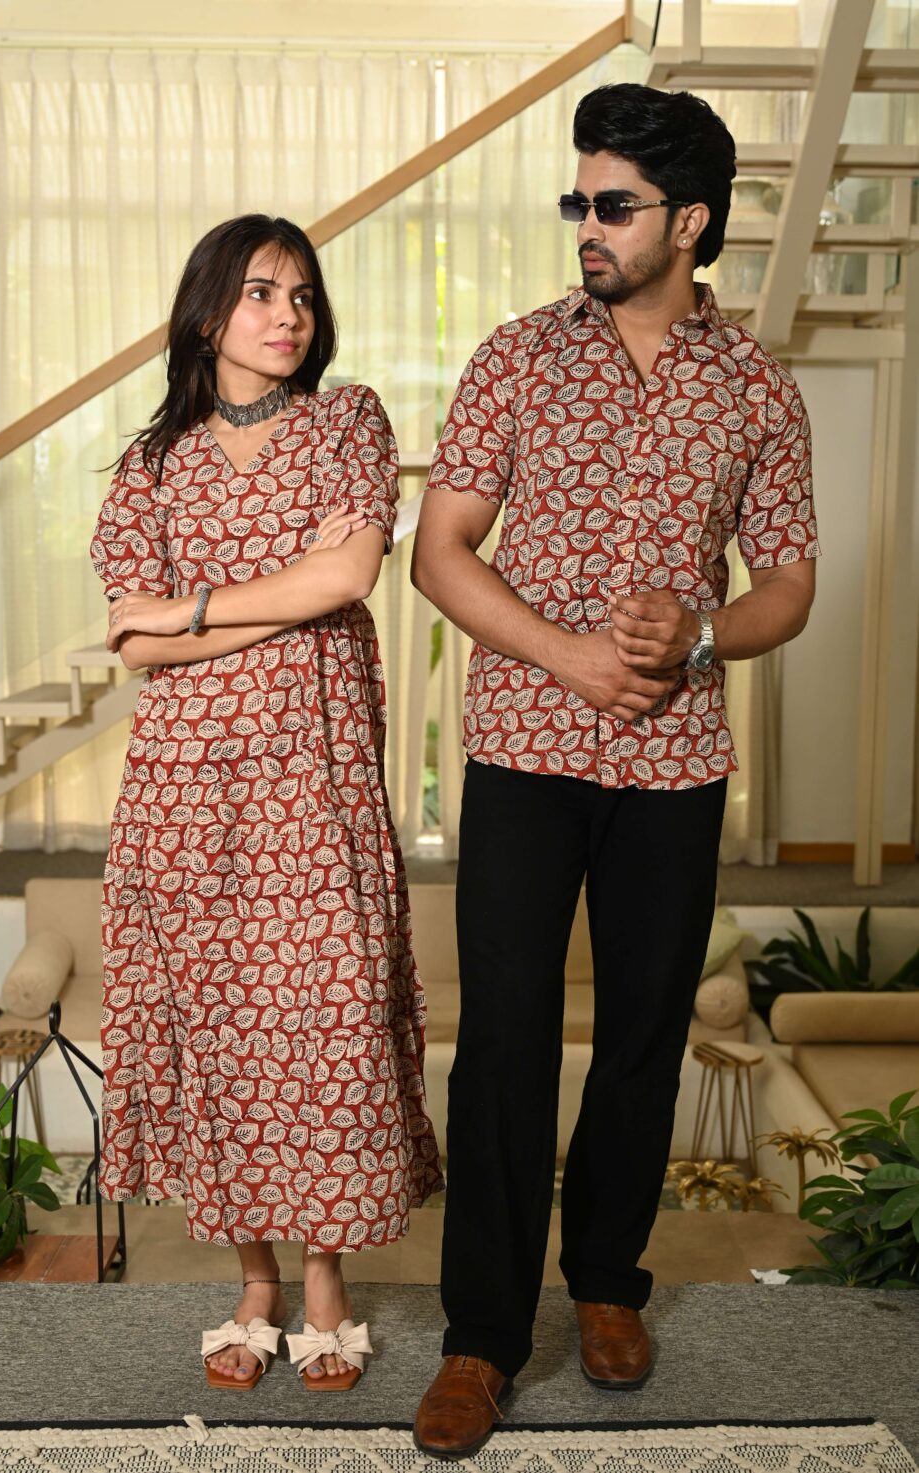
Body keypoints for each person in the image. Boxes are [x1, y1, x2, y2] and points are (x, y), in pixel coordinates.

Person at [411, 82, 818, 1456]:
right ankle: (480, 1337)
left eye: (613, 205)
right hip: (524, 751)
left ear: (687, 222)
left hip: (676, 763)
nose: (584, 224)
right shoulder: (518, 358)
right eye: (576, 200)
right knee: (505, 1041)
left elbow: (788, 587)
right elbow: (441, 554)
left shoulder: (755, 386)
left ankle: (603, 1286)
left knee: (643, 1035)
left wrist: (701, 634)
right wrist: (569, 657)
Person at [90, 213, 443, 1395]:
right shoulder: (149, 467)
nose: (287, 315)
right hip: (185, 790)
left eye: (300, 294)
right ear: (206, 314)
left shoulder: (349, 422)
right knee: (218, 1031)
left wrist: (192, 607)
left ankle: (326, 1283)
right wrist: (271, 596)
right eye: (259, 293)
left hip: (314, 779)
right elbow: (131, 643)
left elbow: (347, 575)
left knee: (321, 1023)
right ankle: (254, 1285)